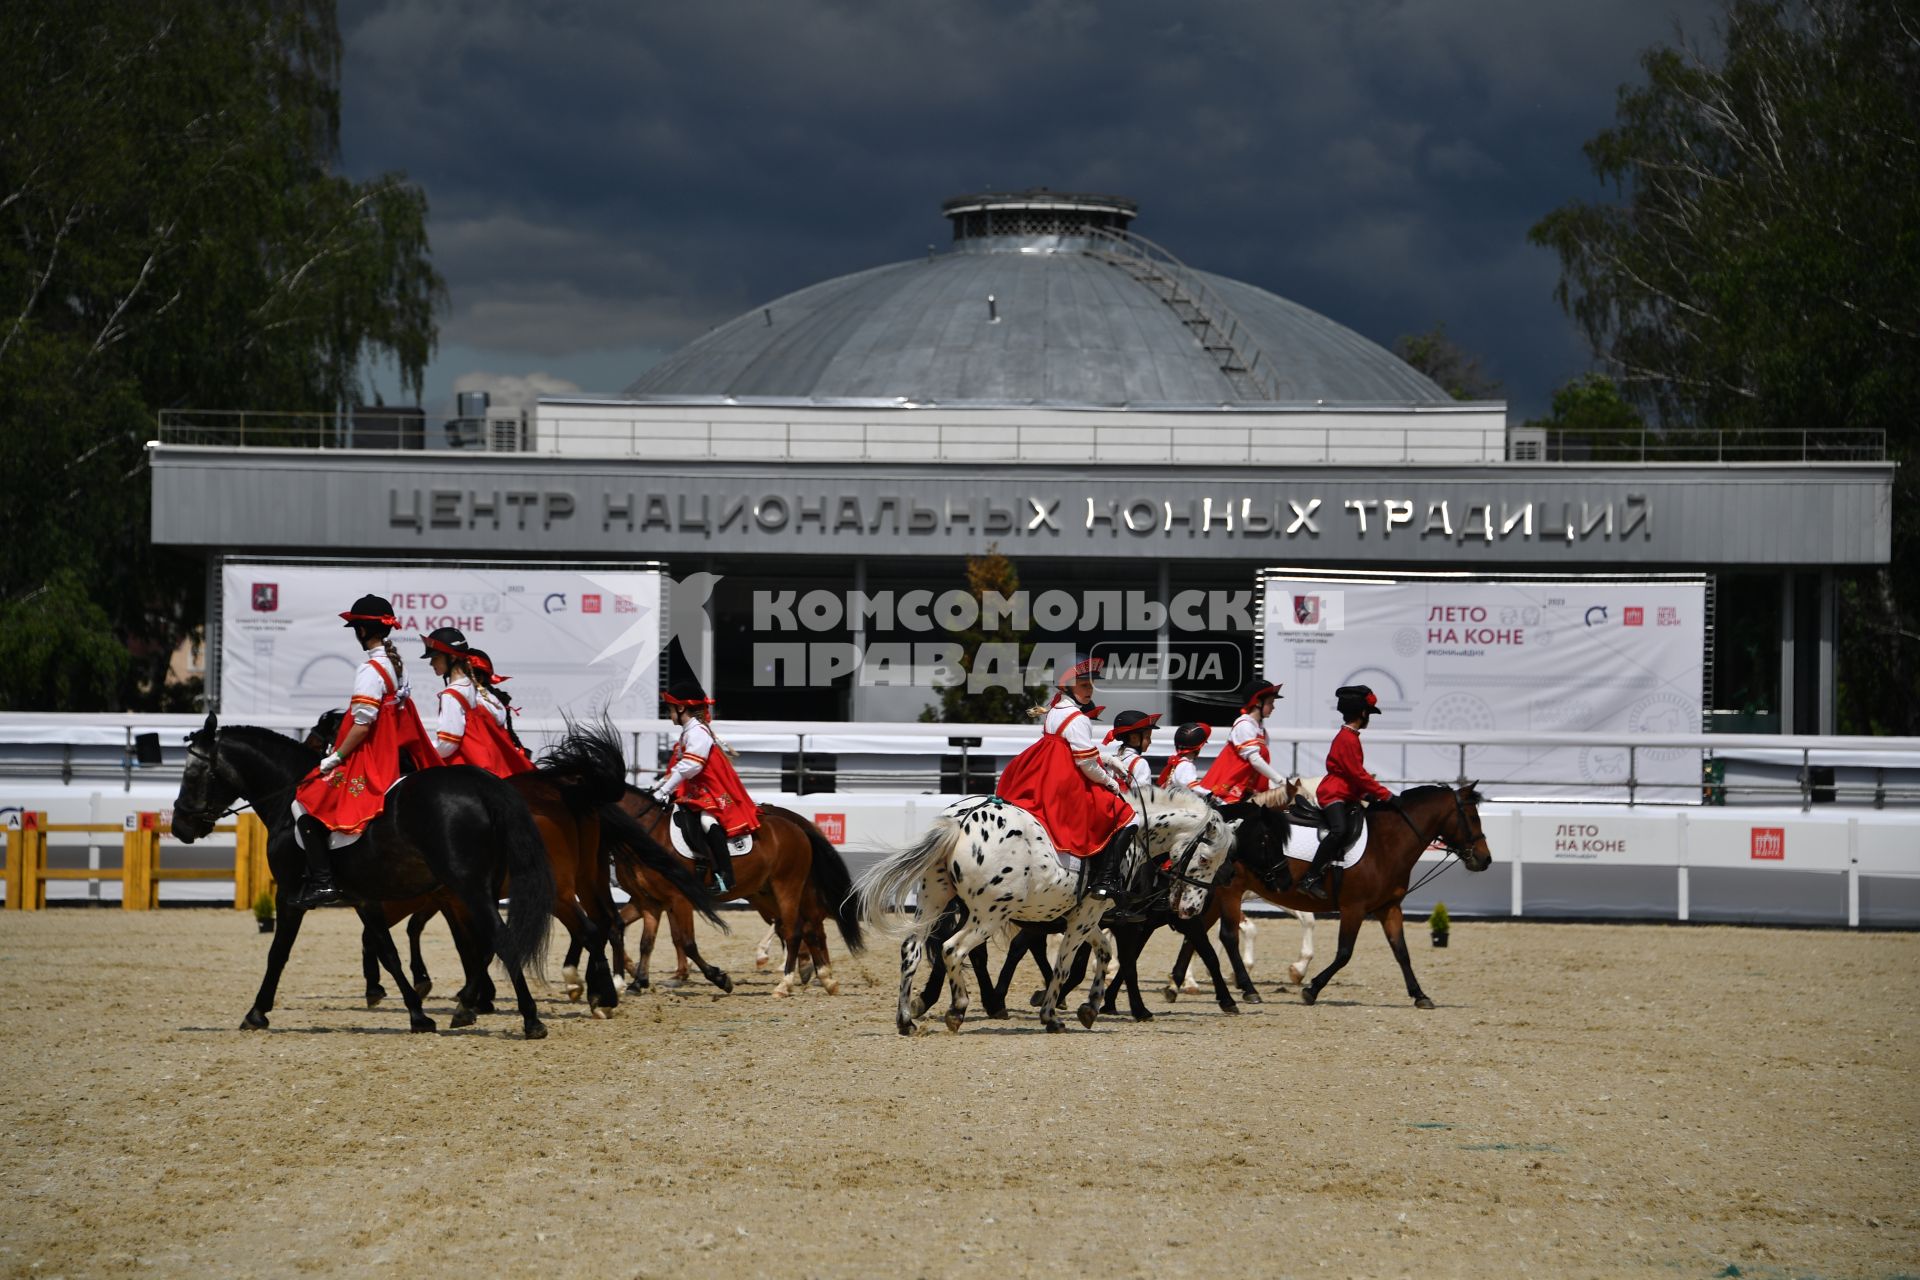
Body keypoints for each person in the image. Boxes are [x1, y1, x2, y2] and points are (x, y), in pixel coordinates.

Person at [288, 594, 441, 909]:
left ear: (362, 630)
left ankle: (323, 882)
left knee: (305, 801)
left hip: (369, 755)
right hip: (391, 751)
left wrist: (336, 756)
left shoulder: (370, 670)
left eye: (355, 627)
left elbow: (362, 725)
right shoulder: (397, 666)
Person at [995, 656, 1137, 902]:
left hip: (1043, 774)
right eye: (1083, 685)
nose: (1090, 690)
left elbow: (1072, 749)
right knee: (1126, 816)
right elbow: (1085, 764)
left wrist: (1107, 759)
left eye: (1091, 685)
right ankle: (1104, 880)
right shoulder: (1079, 718)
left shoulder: (1055, 710)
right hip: (1066, 779)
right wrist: (1110, 782)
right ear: (1066, 687)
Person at [650, 675, 758, 893]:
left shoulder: (698, 732)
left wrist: (664, 790)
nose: (668, 712)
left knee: (707, 821)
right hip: (695, 790)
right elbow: (677, 767)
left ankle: (726, 875)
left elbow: (691, 766)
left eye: (670, 708)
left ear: (681, 709)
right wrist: (659, 786)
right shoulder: (688, 732)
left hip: (711, 789)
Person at [1296, 684, 1394, 900]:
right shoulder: (1347, 738)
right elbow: (1357, 774)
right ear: (1362, 713)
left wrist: (1367, 795)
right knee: (1339, 830)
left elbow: (1355, 776)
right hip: (1334, 794)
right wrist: (1384, 793)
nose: (1369, 718)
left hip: (1346, 792)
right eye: (1369, 714)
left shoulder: (1351, 737)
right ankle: (1310, 878)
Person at [422, 628, 532, 776]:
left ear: (452, 657)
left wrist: (421, 750)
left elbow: (447, 744)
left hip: (465, 770)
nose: (431, 663)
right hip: (486, 764)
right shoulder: (472, 686)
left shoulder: (451, 695)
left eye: (435, 657)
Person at [1197, 678, 1288, 804]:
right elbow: (1255, 760)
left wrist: (1273, 788)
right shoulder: (1244, 725)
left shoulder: (1261, 731)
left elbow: (1259, 769)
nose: (1273, 707)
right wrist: (1282, 781)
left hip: (1244, 791)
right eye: (1270, 702)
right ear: (1258, 703)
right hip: (1227, 790)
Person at [1102, 710, 1160, 789]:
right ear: (1134, 738)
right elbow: (1142, 797)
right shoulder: (1140, 763)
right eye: (1147, 737)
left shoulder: (1112, 761)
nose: (1150, 742)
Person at [1157, 722, 1213, 797]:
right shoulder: (1186, 765)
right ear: (1198, 748)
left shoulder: (1177, 762)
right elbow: (1192, 787)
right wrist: (1211, 794)